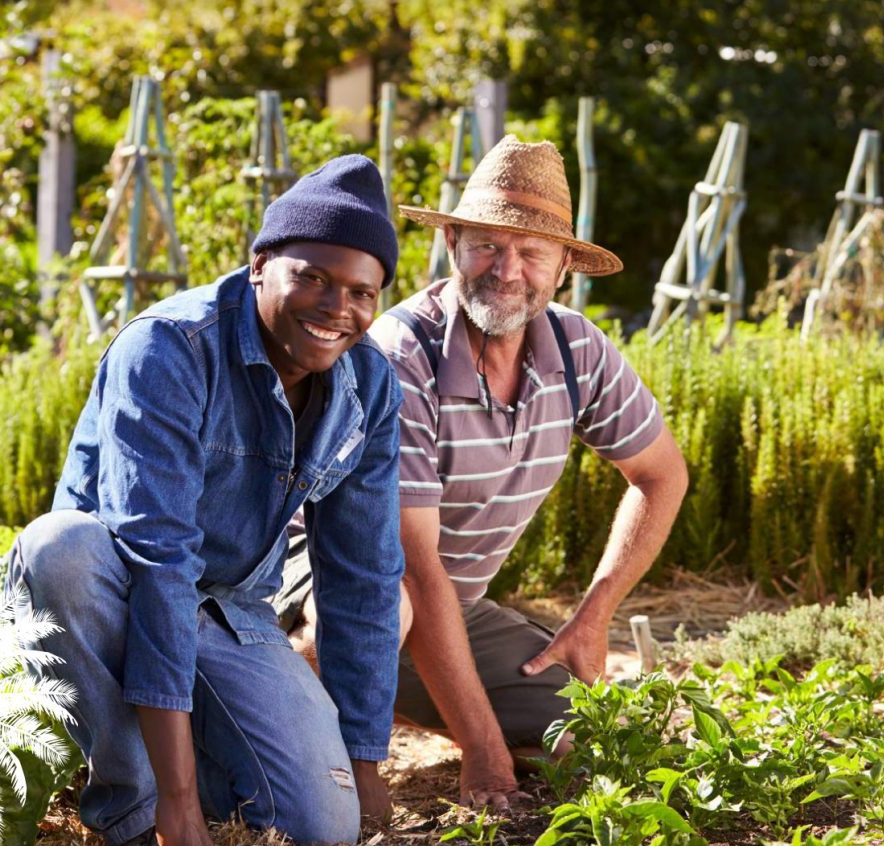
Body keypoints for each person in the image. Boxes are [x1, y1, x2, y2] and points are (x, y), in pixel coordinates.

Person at [9, 155, 404, 846]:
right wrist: (178, 813)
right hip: (113, 592)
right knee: (56, 548)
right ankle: (132, 810)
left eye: (360, 292)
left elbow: (365, 578)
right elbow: (157, 563)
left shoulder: (369, 387)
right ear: (260, 264)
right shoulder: (170, 349)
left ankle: (172, 749)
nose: (334, 307)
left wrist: (365, 765)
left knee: (323, 822)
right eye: (312, 277)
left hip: (228, 608)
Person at [276, 136, 689, 811]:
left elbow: (661, 474)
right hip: (325, 581)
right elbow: (410, 567)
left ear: (563, 269)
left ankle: (385, 699)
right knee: (381, 609)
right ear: (453, 247)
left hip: (448, 610)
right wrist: (483, 752)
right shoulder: (399, 355)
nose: (507, 270)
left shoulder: (579, 350)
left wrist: (593, 615)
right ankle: (254, 711)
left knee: (592, 736)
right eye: (487, 246)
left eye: (531, 253)